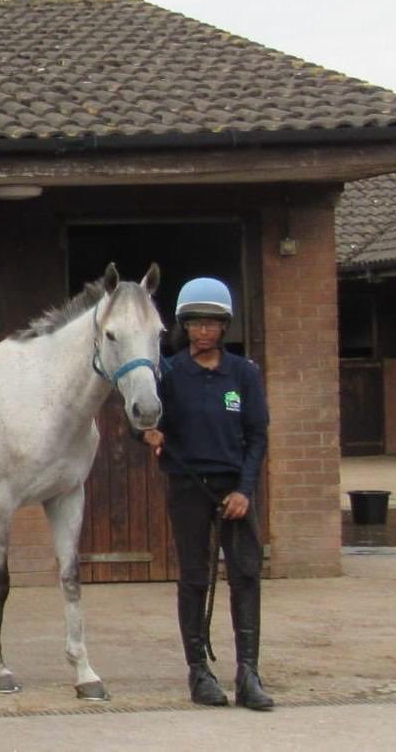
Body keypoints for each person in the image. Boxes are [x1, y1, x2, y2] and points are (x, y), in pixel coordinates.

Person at [142, 276, 273, 710]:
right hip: (189, 486)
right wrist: (148, 433)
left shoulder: (244, 374)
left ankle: (248, 672)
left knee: (246, 575)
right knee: (195, 577)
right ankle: (198, 671)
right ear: (184, 325)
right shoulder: (169, 373)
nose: (203, 331)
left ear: (224, 327)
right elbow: (145, 419)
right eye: (196, 323)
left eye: (212, 324)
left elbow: (257, 436)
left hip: (233, 487)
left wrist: (244, 490)